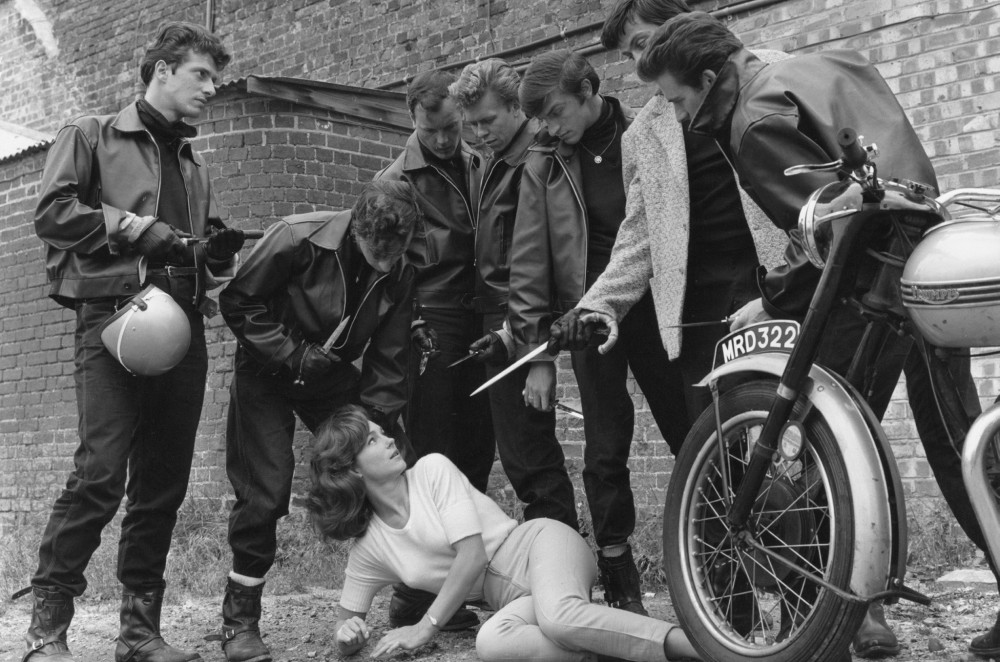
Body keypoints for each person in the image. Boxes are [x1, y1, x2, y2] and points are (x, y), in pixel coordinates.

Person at [636, 11, 998, 659]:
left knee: (822, 450)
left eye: (678, 99)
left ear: (709, 80)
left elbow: (834, 229)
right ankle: (860, 613)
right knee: (961, 442)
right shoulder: (821, 65)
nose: (680, 115)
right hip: (927, 258)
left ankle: (829, 618)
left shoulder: (753, 123)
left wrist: (774, 298)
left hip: (870, 286)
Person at [24, 21, 236, 662]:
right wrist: (131, 227)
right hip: (112, 321)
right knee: (100, 473)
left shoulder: (194, 163)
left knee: (163, 482)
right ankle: (46, 630)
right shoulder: (91, 133)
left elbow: (191, 252)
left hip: (182, 327)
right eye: (202, 74)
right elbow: (52, 213)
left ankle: (139, 633)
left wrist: (215, 254)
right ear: (162, 70)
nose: (212, 88)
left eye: (216, 79)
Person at [508, 49, 689, 617]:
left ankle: (715, 557)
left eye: (556, 112)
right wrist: (538, 353)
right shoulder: (544, 163)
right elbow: (529, 264)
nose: (548, 128)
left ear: (587, 90)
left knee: (689, 430)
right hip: (586, 318)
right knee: (605, 447)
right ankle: (618, 574)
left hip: (655, 304)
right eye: (540, 120)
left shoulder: (646, 132)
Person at [306, 405, 702, 662]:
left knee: (559, 618)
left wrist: (425, 627)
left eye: (382, 431)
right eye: (372, 440)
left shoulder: (431, 471)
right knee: (492, 642)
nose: (390, 439)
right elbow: (346, 622)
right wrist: (347, 636)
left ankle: (697, 648)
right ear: (353, 469)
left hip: (540, 546)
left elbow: (472, 556)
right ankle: (609, 650)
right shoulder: (371, 547)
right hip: (514, 599)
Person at [216, 180, 420, 662]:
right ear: (357, 229)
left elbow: (390, 354)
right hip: (267, 368)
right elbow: (238, 302)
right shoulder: (295, 237)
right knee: (266, 487)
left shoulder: (401, 268)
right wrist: (290, 353)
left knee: (396, 461)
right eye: (377, 253)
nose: (386, 264)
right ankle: (239, 621)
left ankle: (416, 591)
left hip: (328, 374)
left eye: (395, 254)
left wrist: (375, 422)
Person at [373, 68, 491, 632]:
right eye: (432, 130)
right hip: (433, 324)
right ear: (412, 119)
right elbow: (386, 269)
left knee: (478, 448)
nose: (444, 140)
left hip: (482, 317)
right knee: (432, 455)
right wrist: (415, 324)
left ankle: (455, 587)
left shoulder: (480, 161)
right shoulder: (395, 181)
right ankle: (412, 595)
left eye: (451, 127)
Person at [449, 58, 579, 531]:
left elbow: (542, 262)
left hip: (519, 321)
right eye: (472, 125)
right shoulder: (494, 158)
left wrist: (536, 350)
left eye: (488, 121)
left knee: (530, 456)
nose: (479, 133)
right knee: (515, 452)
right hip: (495, 321)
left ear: (515, 107)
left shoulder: (534, 160)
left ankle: (559, 558)